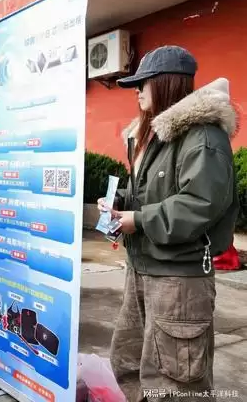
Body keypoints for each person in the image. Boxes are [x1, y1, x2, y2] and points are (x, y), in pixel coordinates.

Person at [99, 46, 238, 402]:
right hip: (142, 268)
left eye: (143, 82)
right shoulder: (152, 135)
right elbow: (148, 192)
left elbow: (200, 204)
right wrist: (118, 204)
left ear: (166, 83)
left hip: (179, 281)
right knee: (129, 362)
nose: (137, 91)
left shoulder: (203, 137)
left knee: (177, 383)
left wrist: (139, 219)